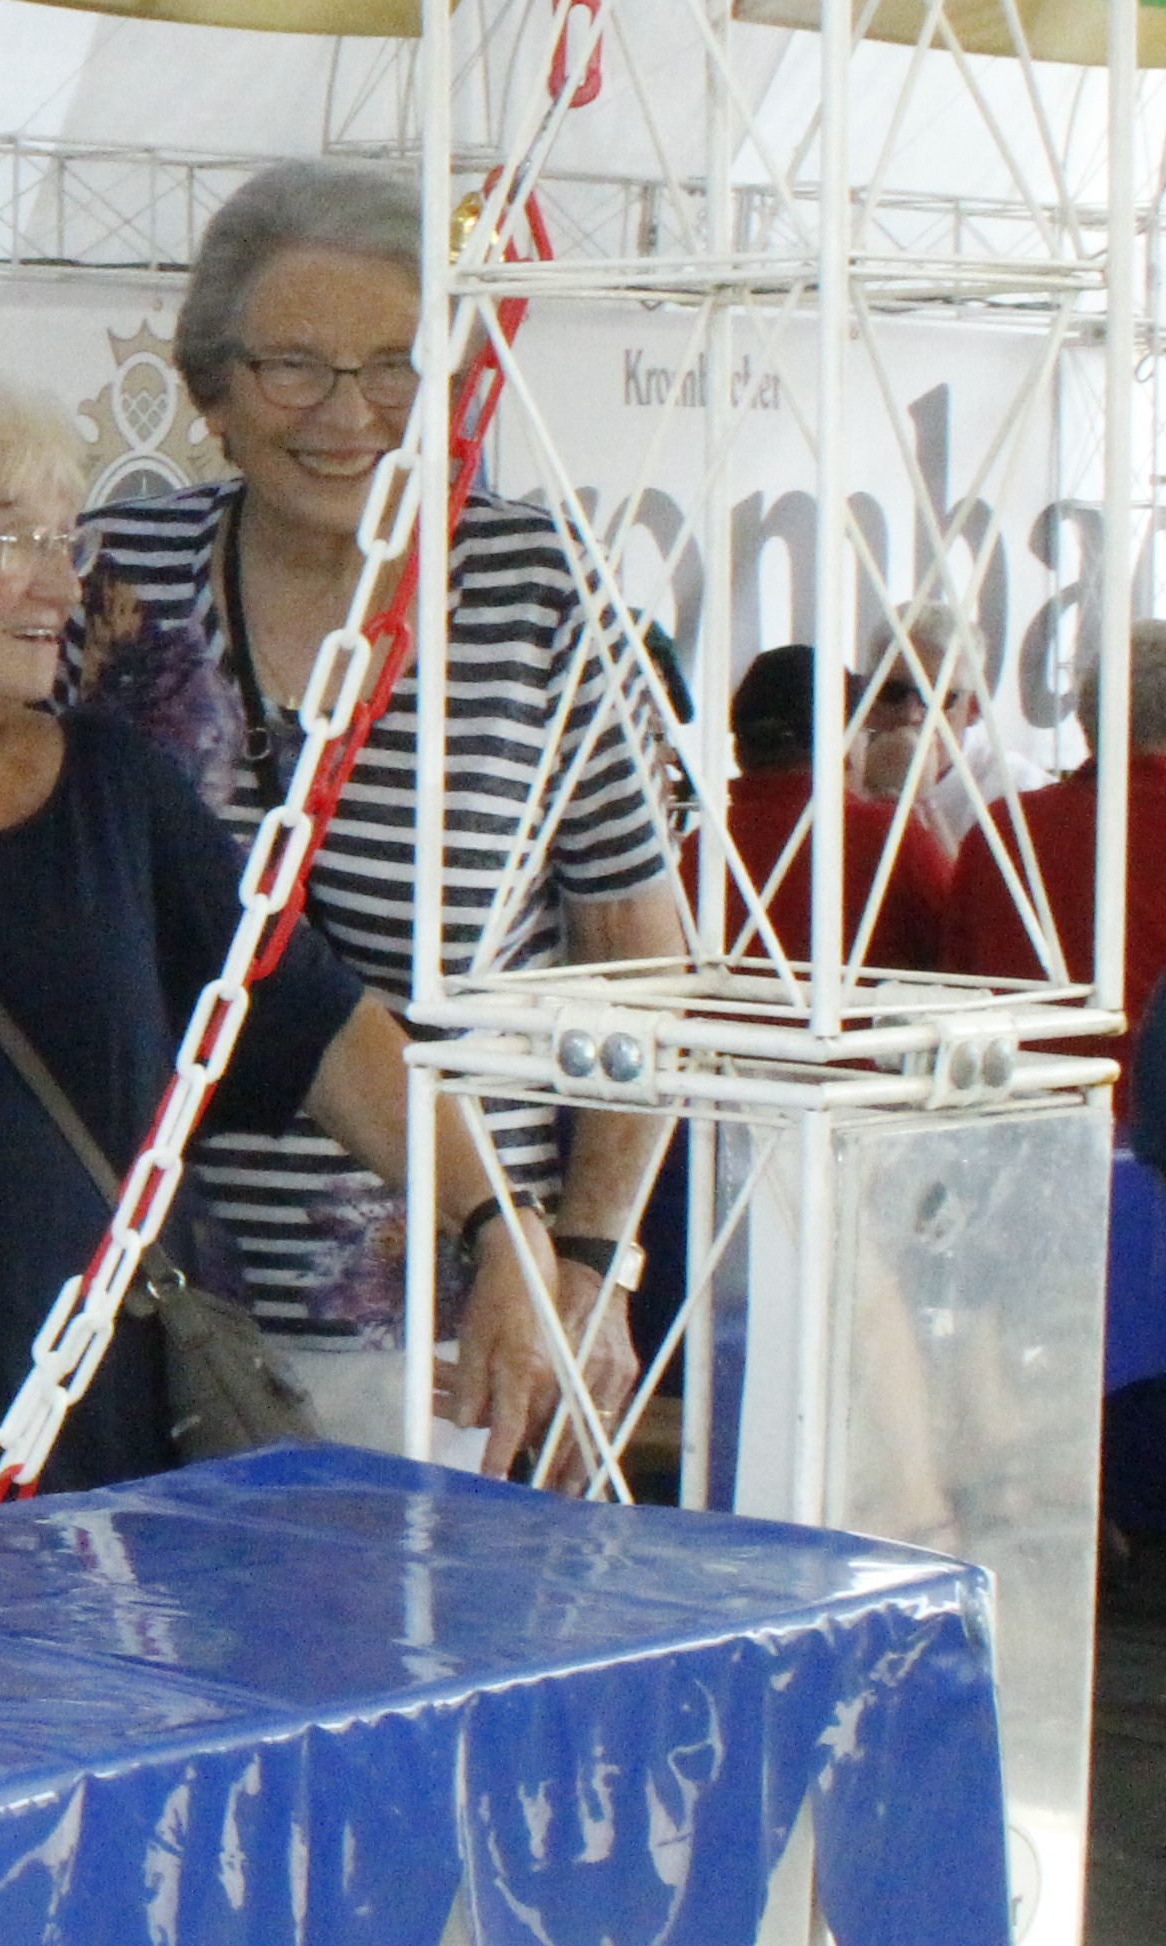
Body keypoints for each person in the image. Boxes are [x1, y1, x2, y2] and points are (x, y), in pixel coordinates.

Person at [0, 352, 565, 1525]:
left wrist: (499, 1224)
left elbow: (321, 1029)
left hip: (104, 1462)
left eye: (62, 542)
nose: (61, 589)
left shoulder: (116, 795)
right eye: (9, 540)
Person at [67, 161, 666, 1464]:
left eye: (394, 366)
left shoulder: (531, 589)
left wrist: (594, 1256)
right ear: (213, 396)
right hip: (161, 1301)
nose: (347, 414)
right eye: (293, 365)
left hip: (462, 1333)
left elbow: (639, 961)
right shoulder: (122, 581)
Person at [944, 620, 1166, 1126]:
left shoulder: (1003, 830)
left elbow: (950, 984)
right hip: (1147, 1155)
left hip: (1015, 1134)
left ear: (1088, 723)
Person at [722, 641, 960, 975]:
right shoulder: (889, 839)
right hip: (860, 1027)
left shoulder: (699, 850)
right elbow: (967, 944)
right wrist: (921, 804)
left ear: (740, 751)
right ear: (846, 742)